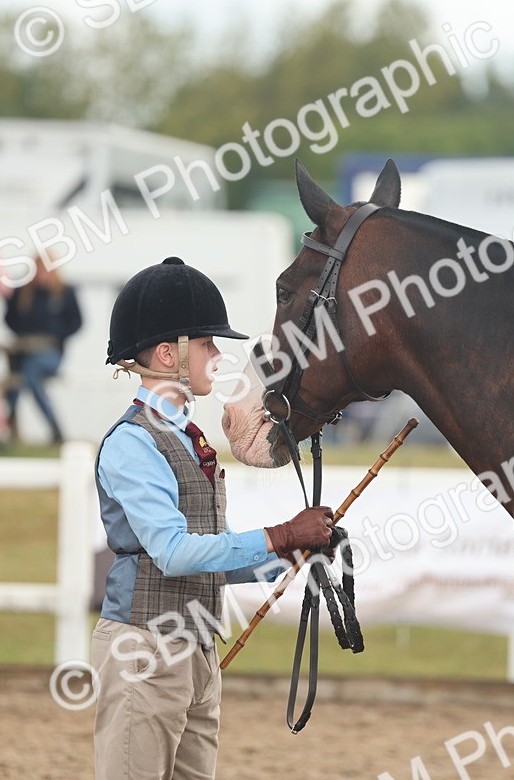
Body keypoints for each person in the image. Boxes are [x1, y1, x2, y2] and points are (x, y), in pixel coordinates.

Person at [93, 256, 333, 780]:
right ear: (168, 354)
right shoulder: (133, 442)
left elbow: (211, 556)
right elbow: (175, 554)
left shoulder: (187, 439)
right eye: (207, 344)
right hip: (145, 650)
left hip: (197, 653)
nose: (219, 356)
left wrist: (290, 551)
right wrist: (278, 534)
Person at [4, 257, 82, 444]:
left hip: (51, 353)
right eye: (39, 270)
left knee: (28, 374)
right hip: (23, 353)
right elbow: (9, 318)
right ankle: (9, 429)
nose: (42, 275)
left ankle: (50, 428)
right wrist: (25, 336)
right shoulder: (22, 293)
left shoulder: (64, 293)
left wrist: (57, 336)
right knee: (18, 379)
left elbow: (76, 322)